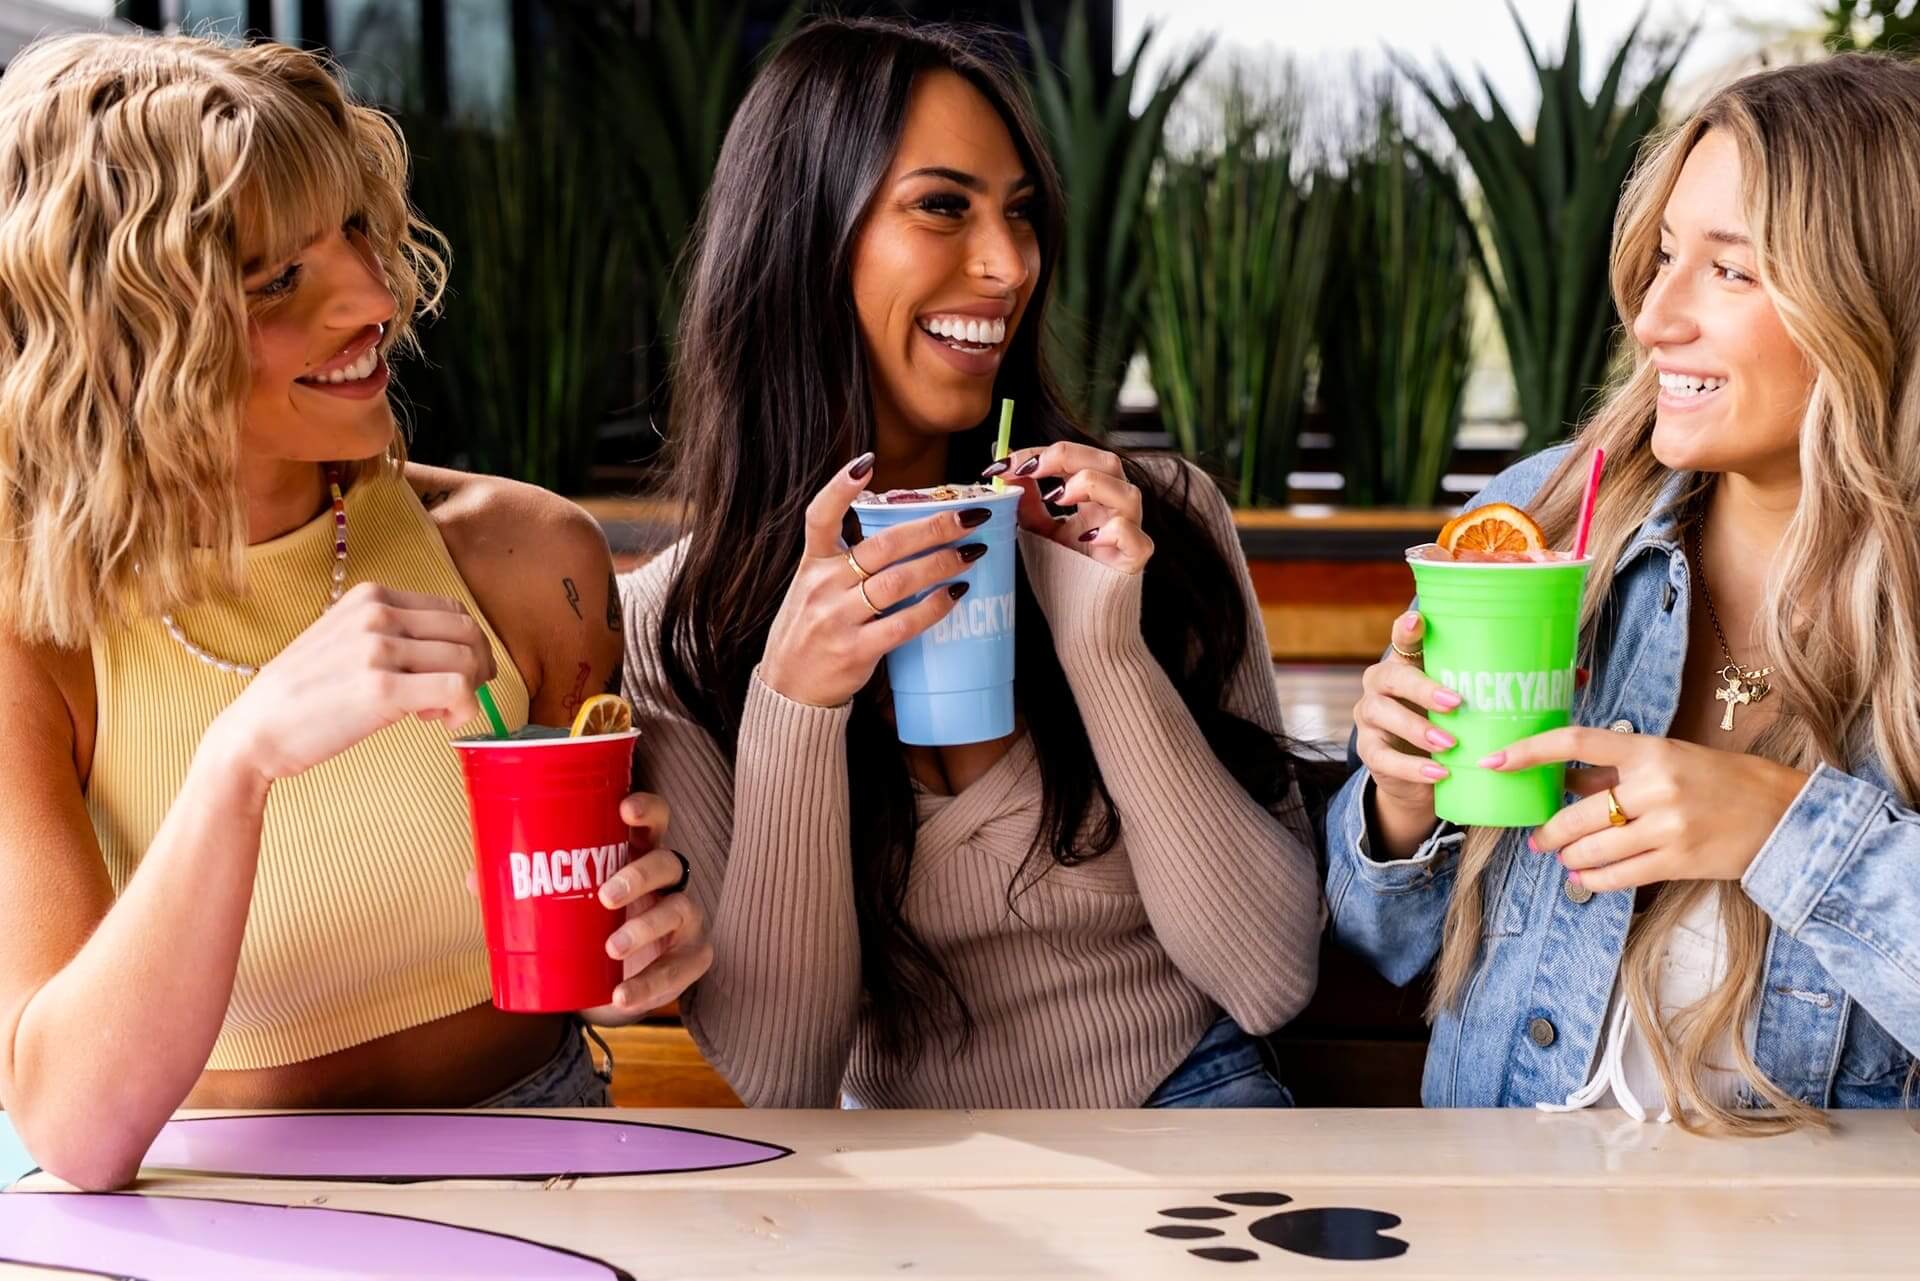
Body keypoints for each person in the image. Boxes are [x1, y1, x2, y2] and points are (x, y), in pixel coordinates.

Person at [0, 34, 708, 1190]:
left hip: (544, 1154)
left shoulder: (527, 558)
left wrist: (654, 945)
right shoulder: (34, 630)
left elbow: (612, 945)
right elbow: (75, 1129)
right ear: (121, 335)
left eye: (359, 235)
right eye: (278, 279)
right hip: (194, 1194)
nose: (377, 298)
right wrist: (239, 760)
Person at [619, 18, 1325, 1111]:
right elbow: (781, 1073)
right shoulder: (680, 626)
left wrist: (1105, 650)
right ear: (808, 240)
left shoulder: (1154, 525)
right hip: (902, 1173)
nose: (1008, 266)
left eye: (1022, 214)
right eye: (944, 206)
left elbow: (1270, 977)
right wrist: (796, 707)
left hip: (1192, 1107)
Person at [1330, 54, 1920, 1132]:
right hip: (1502, 1221)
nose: (1654, 319)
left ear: (1875, 304)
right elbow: (1380, 943)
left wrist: (1783, 829)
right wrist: (1400, 805)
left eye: (1732, 272)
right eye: (1660, 258)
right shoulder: (1543, 525)